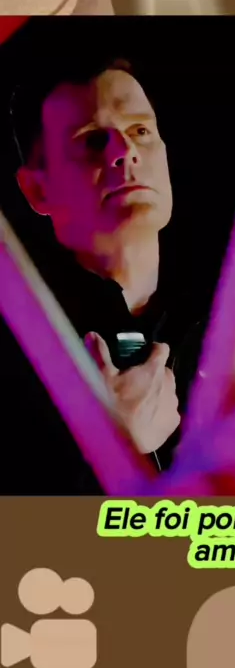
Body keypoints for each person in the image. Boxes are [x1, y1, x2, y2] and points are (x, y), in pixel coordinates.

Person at [1, 55, 203, 494]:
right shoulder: (14, 358)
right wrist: (107, 454)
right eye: (92, 140)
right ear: (38, 189)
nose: (124, 151)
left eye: (140, 131)